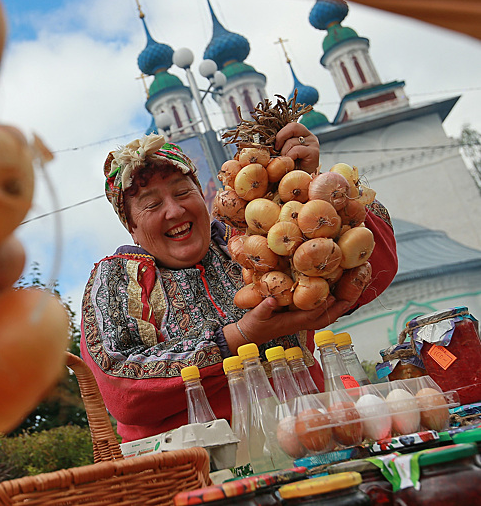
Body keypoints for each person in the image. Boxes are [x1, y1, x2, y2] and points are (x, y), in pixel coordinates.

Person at [80, 124, 398, 442]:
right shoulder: (117, 279)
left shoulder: (252, 238)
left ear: (202, 196)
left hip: (318, 435)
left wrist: (314, 188)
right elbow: (122, 388)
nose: (175, 211)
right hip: (201, 470)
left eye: (182, 192)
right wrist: (242, 336)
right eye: (151, 204)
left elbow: (374, 269)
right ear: (131, 226)